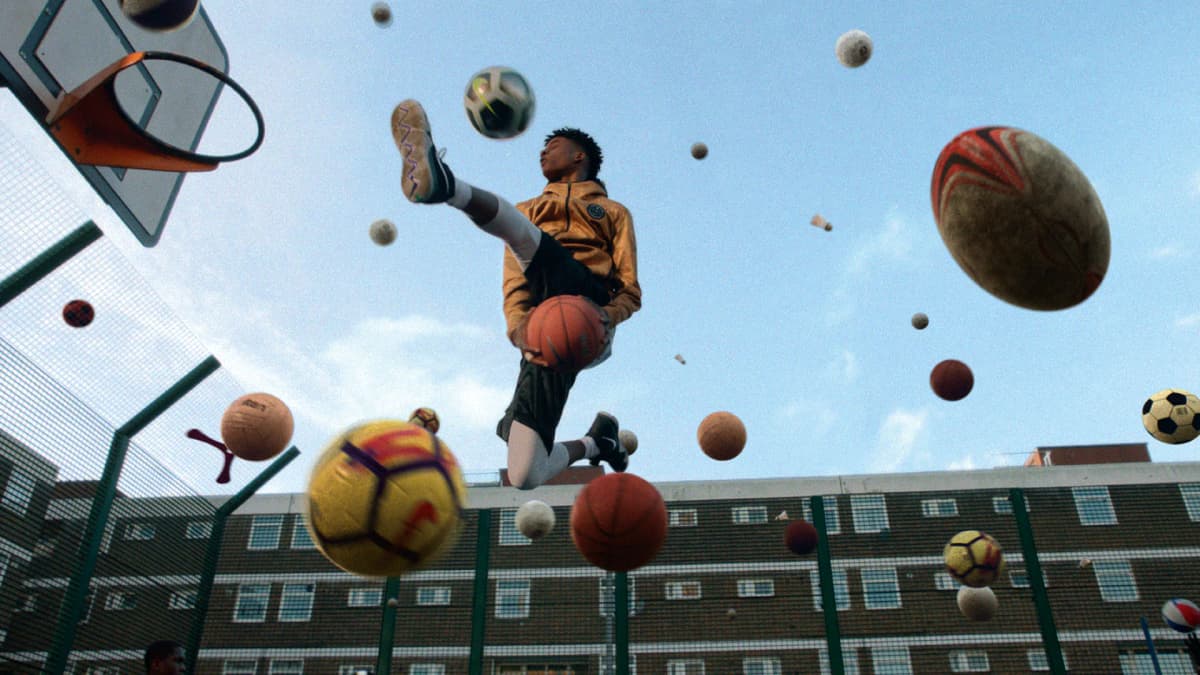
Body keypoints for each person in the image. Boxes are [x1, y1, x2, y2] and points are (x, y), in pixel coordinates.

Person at [392, 99, 641, 489]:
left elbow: (630, 289)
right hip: (546, 328)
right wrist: (518, 326)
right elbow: (515, 281)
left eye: (552, 145)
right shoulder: (527, 209)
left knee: (524, 235)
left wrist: (609, 315)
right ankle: (599, 441)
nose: (542, 152)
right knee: (526, 472)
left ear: (579, 156)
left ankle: (447, 186)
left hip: (590, 308)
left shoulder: (612, 211)